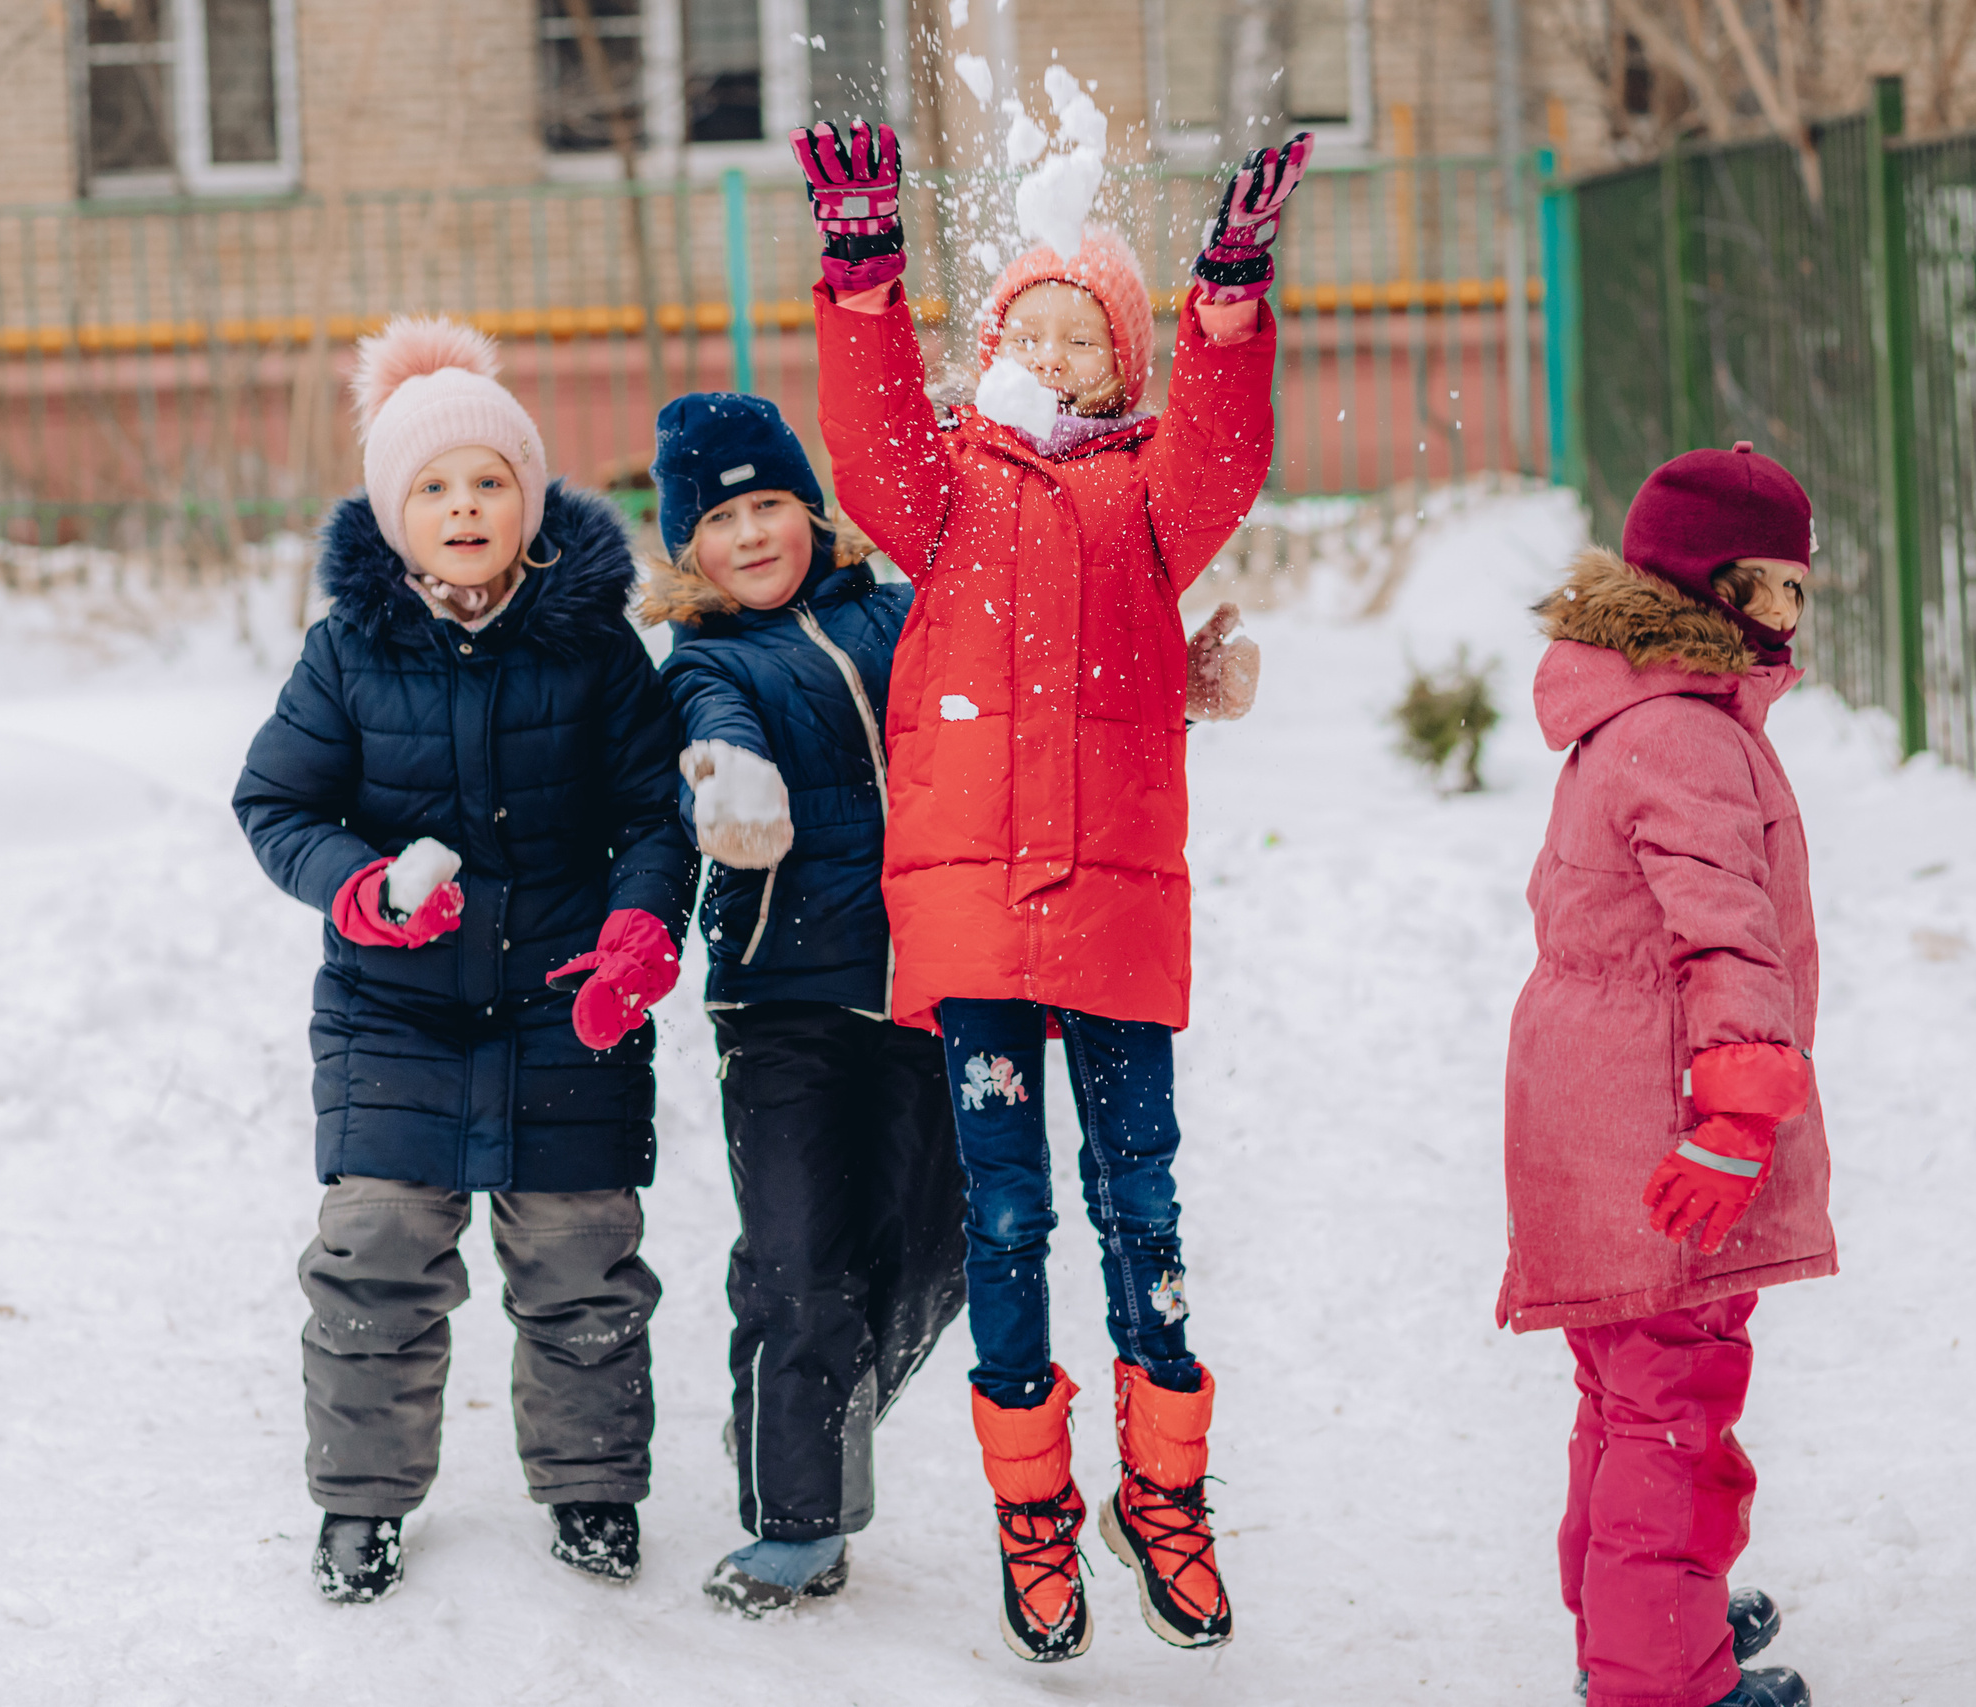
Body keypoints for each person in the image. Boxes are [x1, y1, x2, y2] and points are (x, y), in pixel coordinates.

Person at [792, 118, 1294, 1662]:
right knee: (1007, 1214)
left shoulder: (1151, 500)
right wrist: (865, 277)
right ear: (993, 347)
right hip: (975, 914)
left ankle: (1167, 1488)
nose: (1059, 349)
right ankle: (1034, 1507)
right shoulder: (944, 491)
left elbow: (1225, 446)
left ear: (1124, 365)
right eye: (1032, 326)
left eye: (1090, 333)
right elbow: (867, 442)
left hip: (1117, 908)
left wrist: (1226, 299)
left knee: (1141, 1199)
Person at [233, 317, 696, 1604]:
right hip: (394, 1013)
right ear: (392, 515)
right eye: (431, 486)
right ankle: (361, 1503)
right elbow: (276, 808)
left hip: (567, 1005)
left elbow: (656, 813)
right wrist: (363, 891)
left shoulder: (596, 647)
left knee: (581, 1254)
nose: (463, 504)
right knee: (374, 1256)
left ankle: (593, 1484)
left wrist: (642, 926)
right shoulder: (347, 653)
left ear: (529, 497)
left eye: (488, 479)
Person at [1499, 442, 1835, 1707]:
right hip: (1662, 1128)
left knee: (1622, 1391)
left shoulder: (1628, 708)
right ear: (1705, 585)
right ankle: (1660, 1681)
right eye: (1769, 584)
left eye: (1802, 588)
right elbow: (1723, 933)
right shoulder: (1684, 736)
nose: (1790, 614)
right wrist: (1736, 1116)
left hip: (1590, 1114)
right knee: (1674, 1412)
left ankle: (1642, 1617)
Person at [638, 391, 967, 1617]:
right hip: (783, 1001)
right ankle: (796, 1516)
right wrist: (728, 782)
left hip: (936, 988)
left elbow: (1011, 682)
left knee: (941, 1247)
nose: (752, 534)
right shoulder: (708, 661)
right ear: (690, 551)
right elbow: (704, 734)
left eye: (769, 503)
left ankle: (815, 1419)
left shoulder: (899, 615)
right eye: (720, 519)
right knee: (797, 1259)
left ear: (810, 511)